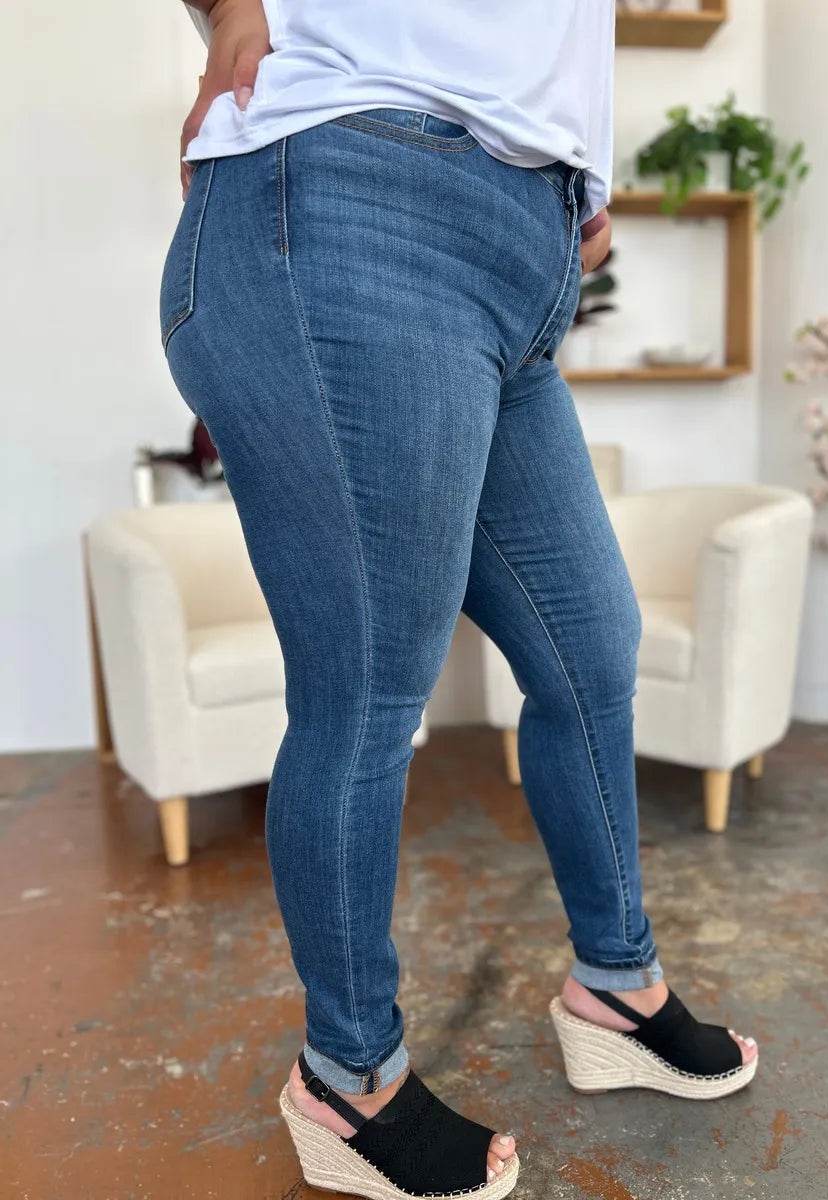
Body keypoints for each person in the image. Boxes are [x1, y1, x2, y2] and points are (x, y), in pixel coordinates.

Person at [161, 3, 758, 1196]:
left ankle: (616, 986)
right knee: (369, 688)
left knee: (592, 649)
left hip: (526, 248)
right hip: (350, 187)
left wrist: (571, 170)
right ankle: (348, 1080)